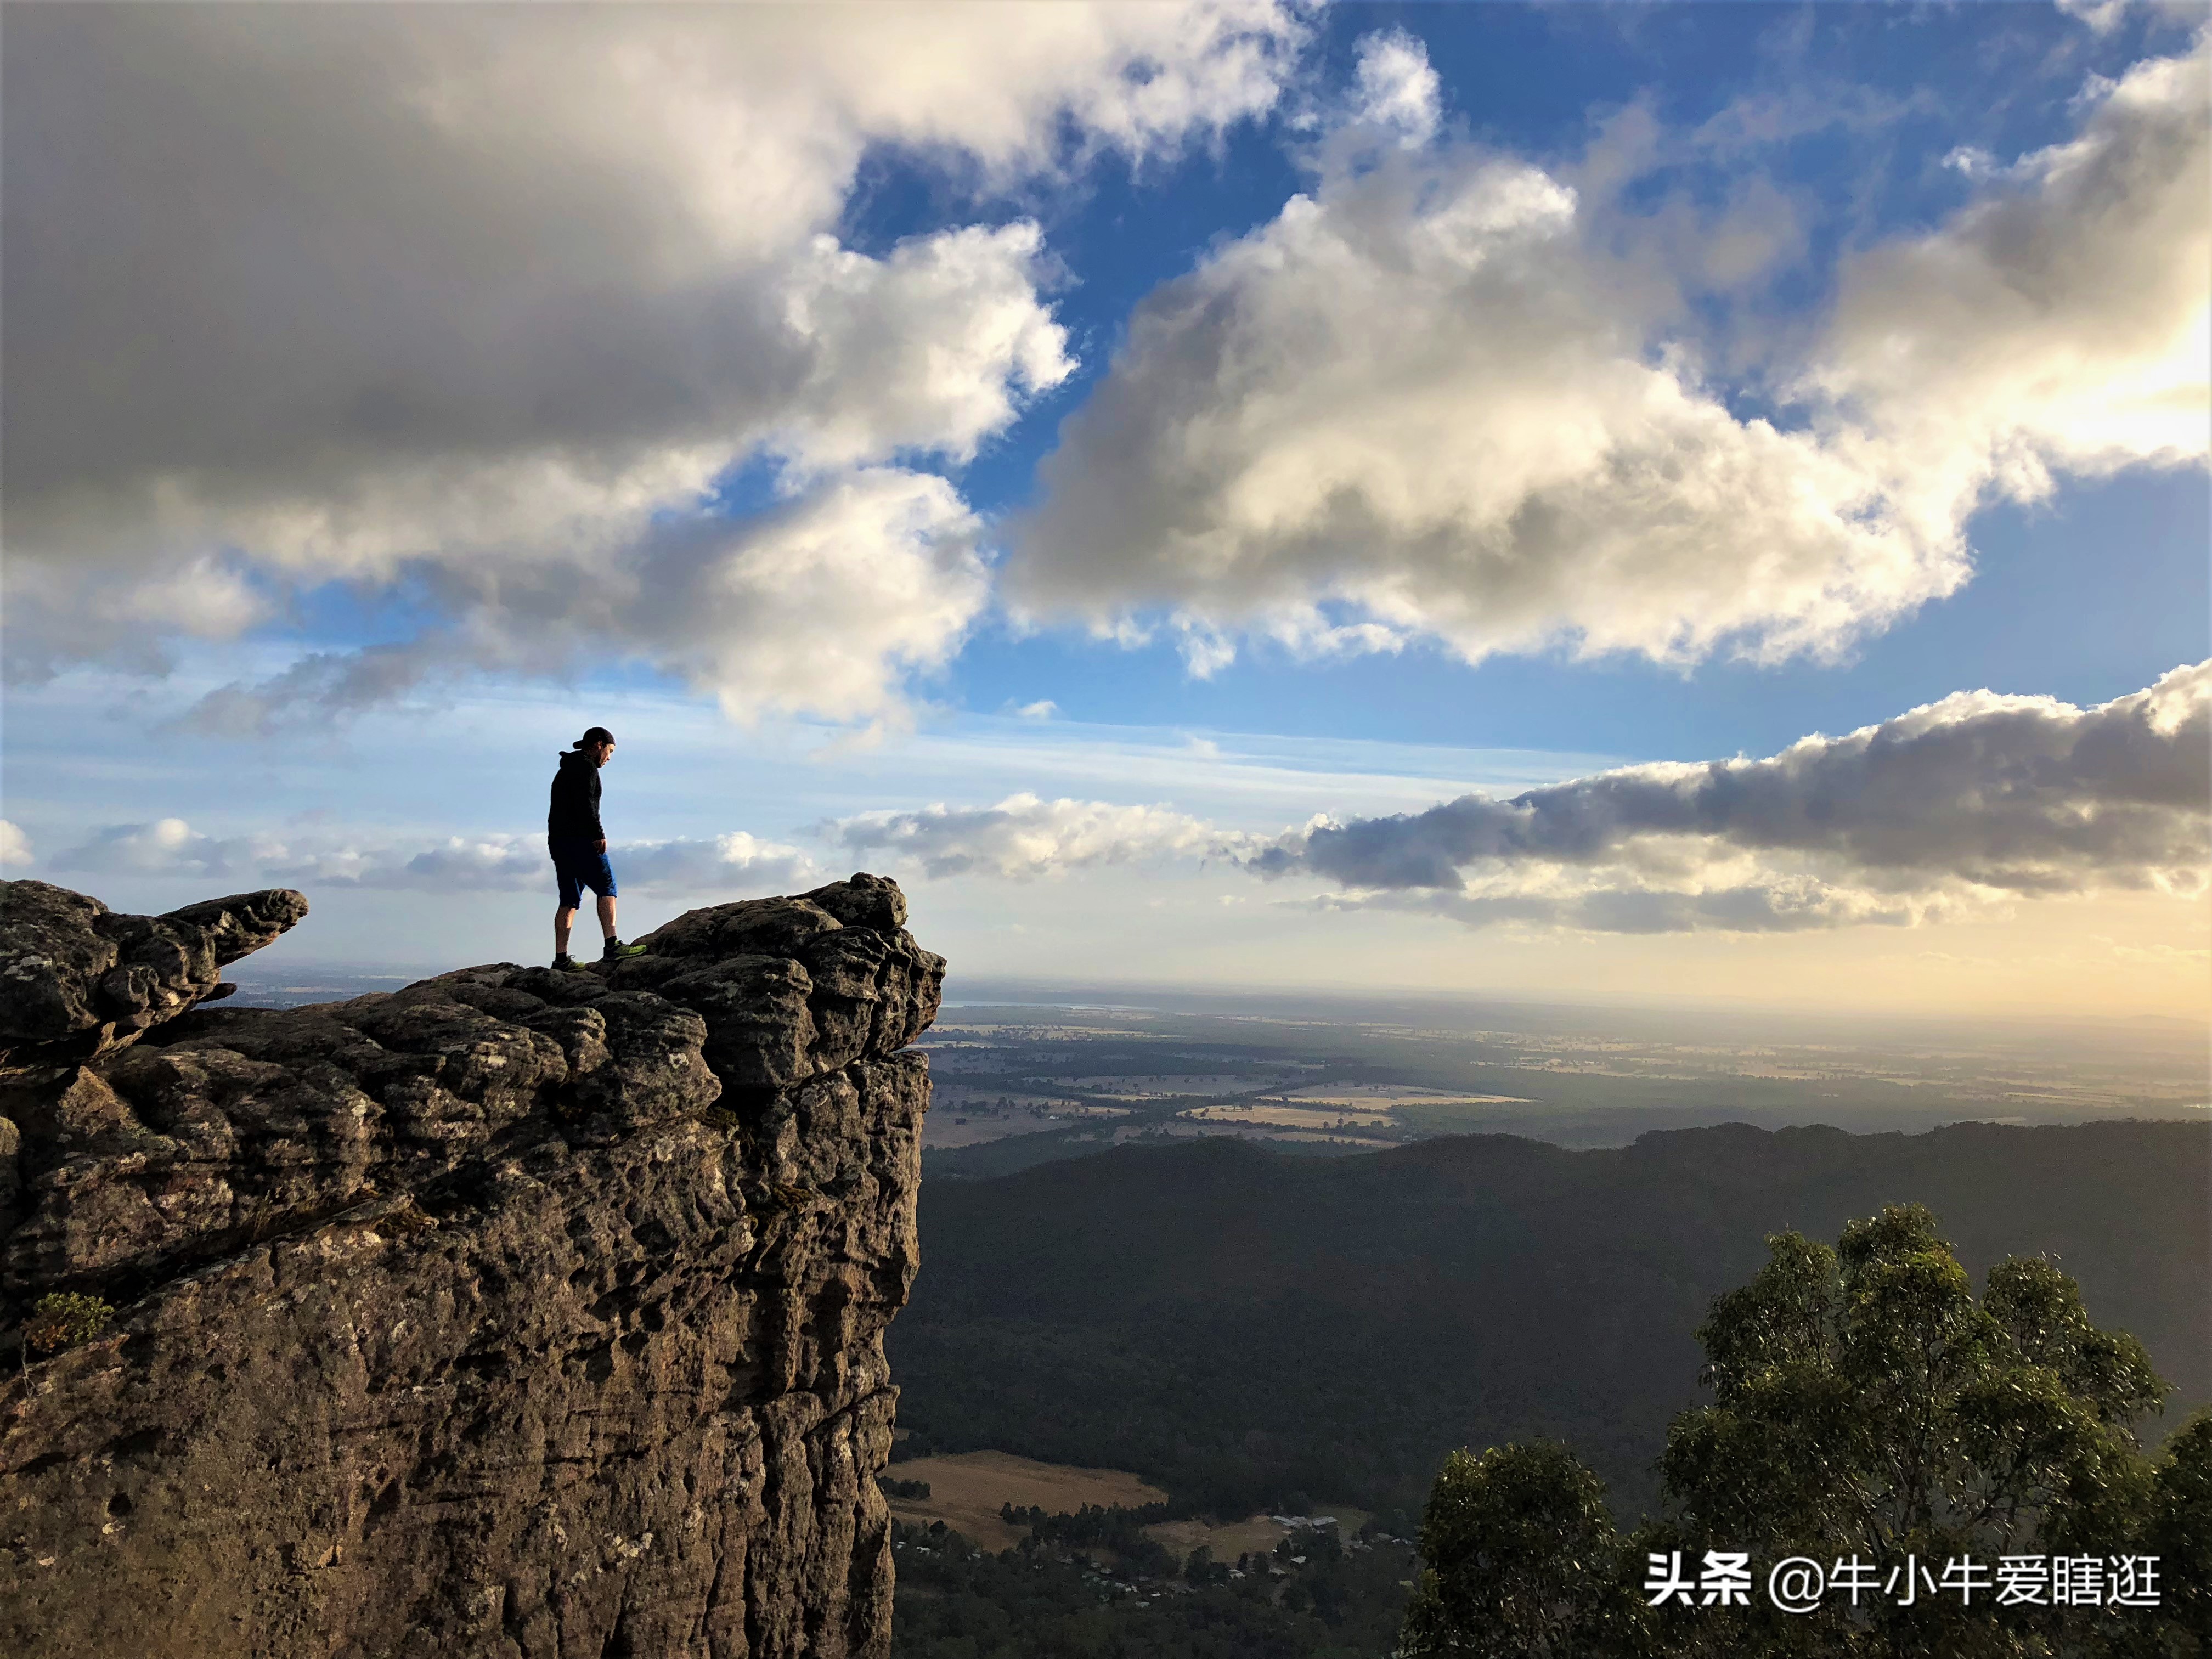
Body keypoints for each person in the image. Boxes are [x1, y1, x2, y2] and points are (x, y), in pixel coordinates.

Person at [548, 726, 648, 970]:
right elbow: (586, 804)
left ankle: (561, 959)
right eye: (610, 751)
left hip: (559, 843)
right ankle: (612, 946)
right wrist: (598, 834)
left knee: (569, 900)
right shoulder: (586, 767)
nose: (609, 758)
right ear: (599, 744)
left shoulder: (567, 769)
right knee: (607, 886)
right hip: (582, 840)